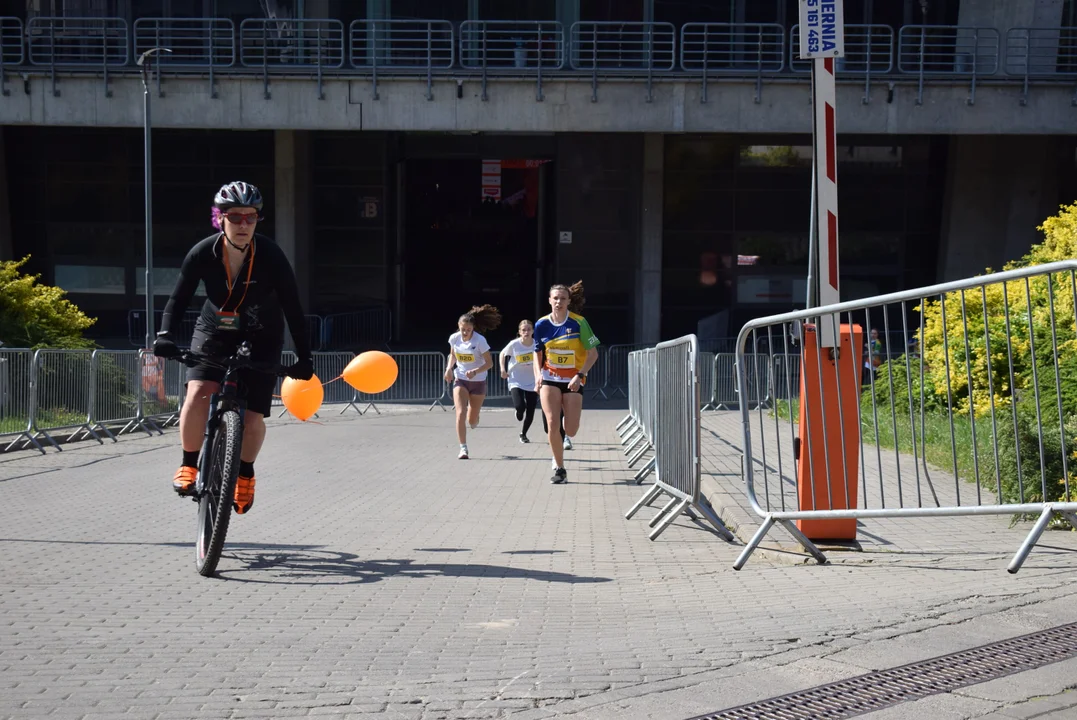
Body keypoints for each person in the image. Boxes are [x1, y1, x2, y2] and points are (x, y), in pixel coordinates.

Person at [152, 181, 314, 514]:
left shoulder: (270, 255)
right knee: (198, 390)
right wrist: (165, 335)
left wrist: (304, 356)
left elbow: (293, 308)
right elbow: (178, 298)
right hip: (214, 329)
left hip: (263, 333)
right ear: (220, 218)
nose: (243, 225)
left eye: (250, 218)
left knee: (253, 416)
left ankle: (244, 473)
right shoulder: (203, 252)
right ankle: (189, 463)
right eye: (235, 217)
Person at [533, 281, 601, 484]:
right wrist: (538, 375)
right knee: (552, 423)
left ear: (569, 301)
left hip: (573, 380)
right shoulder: (541, 324)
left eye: (563, 298)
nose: (559, 302)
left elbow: (593, 354)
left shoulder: (579, 323)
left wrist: (579, 375)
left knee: (570, 430)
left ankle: (565, 431)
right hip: (550, 378)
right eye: (555, 298)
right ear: (549, 300)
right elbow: (537, 352)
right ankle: (560, 467)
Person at [444, 305, 501, 459]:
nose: (465, 332)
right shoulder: (454, 338)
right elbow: (452, 355)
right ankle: (463, 448)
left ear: (473, 328)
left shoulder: (480, 340)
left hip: (478, 382)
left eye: (468, 329)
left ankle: (475, 415)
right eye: (463, 329)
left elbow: (490, 363)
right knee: (460, 412)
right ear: (459, 326)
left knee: (472, 419)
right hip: (461, 379)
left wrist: (475, 371)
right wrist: (449, 368)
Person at [500, 320, 542, 443]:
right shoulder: (514, 344)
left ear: (533, 331)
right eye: (523, 330)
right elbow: (502, 354)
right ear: (519, 332)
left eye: (529, 329)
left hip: (532, 380)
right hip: (516, 379)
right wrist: (503, 369)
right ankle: (518, 410)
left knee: (531, 409)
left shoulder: (536, 344)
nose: (526, 332)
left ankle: (523, 434)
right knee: (520, 406)